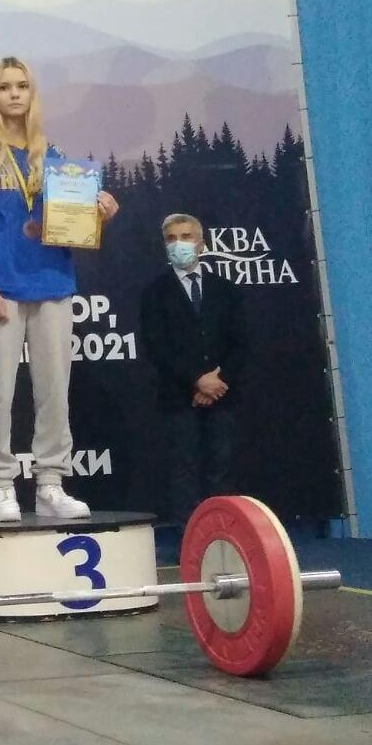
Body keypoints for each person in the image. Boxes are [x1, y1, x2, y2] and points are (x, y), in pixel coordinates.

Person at [0, 58, 119, 522]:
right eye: (5, 87)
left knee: (54, 392)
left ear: (32, 93)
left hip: (52, 284)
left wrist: (98, 213)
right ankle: (1, 486)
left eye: (22, 86)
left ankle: (50, 484)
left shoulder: (55, 156)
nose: (15, 94)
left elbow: (68, 225)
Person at [138, 213, 247, 538]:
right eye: (171, 238)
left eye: (186, 237)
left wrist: (218, 381)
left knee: (222, 467)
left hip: (223, 396)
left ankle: (224, 537)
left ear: (201, 243)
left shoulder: (225, 290)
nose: (179, 244)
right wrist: (197, 381)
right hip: (177, 398)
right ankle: (192, 540)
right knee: (183, 469)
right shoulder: (155, 293)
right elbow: (157, 347)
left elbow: (241, 342)